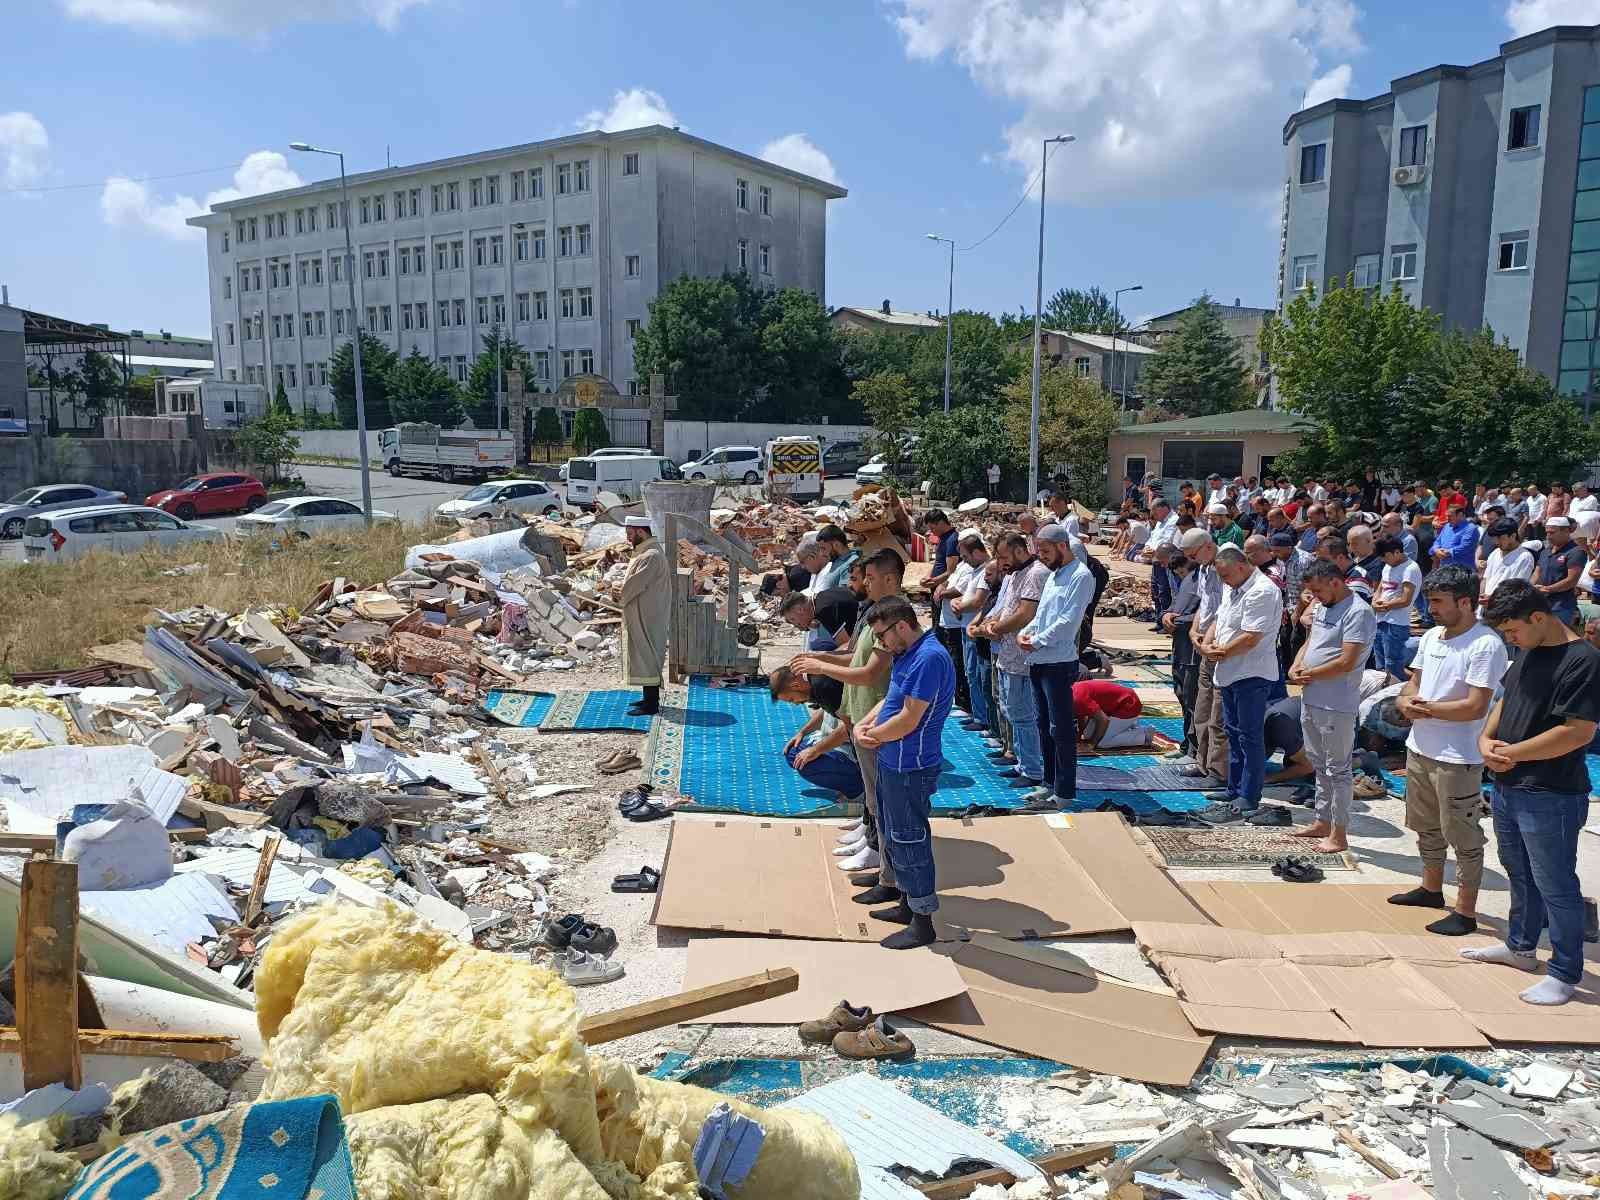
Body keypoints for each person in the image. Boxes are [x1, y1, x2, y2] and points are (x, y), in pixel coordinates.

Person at [1468, 580, 1600, 1005]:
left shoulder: (1583, 661)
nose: (1510, 640)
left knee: (1555, 882)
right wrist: (1486, 741)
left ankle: (1564, 971)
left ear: (1539, 618)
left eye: (1512, 632)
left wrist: (1512, 755)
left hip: (1551, 793)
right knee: (1518, 872)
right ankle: (1521, 947)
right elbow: (1507, 700)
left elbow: (1577, 732)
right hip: (1509, 784)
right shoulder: (1529, 649)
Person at [1389, 565, 1508, 936]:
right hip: (1421, 748)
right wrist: (1406, 701)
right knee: (1425, 827)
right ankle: (1431, 888)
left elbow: (1475, 706)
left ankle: (1466, 910)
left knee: (1463, 835)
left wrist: (1421, 708)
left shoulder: (1485, 644)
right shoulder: (1432, 638)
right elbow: (1414, 683)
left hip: (1458, 758)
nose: (1432, 609)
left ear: (1466, 602)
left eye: (1438, 602)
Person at [793, 548, 903, 888]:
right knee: (872, 792)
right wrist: (818, 656)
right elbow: (855, 654)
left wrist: (820, 665)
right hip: (863, 710)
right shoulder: (874, 611)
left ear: (890, 579)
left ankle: (880, 855)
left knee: (881, 793)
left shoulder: (895, 619)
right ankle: (870, 836)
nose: (864, 584)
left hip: (877, 714)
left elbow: (870, 672)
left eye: (870, 578)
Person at [852, 596, 956, 950]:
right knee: (894, 834)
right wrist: (866, 724)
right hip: (892, 760)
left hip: (911, 764)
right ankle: (905, 903)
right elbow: (891, 700)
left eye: (883, 635)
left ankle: (923, 921)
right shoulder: (907, 655)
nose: (881, 644)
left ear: (901, 626)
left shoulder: (929, 658)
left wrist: (872, 736)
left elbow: (910, 718)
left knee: (910, 839)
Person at [1285, 560, 1376, 851]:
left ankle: (1339, 832)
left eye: (1318, 590)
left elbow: (1347, 660)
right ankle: (1321, 821)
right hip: (1312, 696)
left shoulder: (1358, 612)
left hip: (1336, 703)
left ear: (1335, 582)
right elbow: (1310, 642)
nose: (1315, 597)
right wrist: (1296, 666)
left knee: (1338, 769)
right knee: (1319, 764)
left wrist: (1309, 674)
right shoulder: (1324, 606)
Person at [1197, 543, 1283, 821]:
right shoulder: (1233, 587)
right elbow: (1220, 620)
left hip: (1251, 673)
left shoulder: (1262, 591)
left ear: (1241, 566)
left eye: (1225, 576)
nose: (1223, 581)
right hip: (1229, 671)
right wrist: (1207, 643)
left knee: (1249, 736)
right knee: (1233, 732)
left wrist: (1216, 652)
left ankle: (1249, 794)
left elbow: (1251, 637)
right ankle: (1234, 788)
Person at [1017, 524, 1096, 811]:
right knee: (1043, 725)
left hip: (1058, 662)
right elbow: (1043, 615)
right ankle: (1049, 783)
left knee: (1060, 728)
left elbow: (1068, 623)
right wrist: (1026, 632)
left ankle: (1064, 791)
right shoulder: (1054, 576)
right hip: (1038, 660)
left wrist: (1035, 641)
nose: (1042, 557)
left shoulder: (1080, 577)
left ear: (1062, 546)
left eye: (1046, 551)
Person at [971, 532, 1048, 790]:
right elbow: (1005, 609)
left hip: (1022, 657)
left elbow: (1025, 614)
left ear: (1018, 551)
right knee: (1010, 709)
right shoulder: (1015, 574)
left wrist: (995, 628)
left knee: (1023, 714)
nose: (1001, 562)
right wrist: (989, 624)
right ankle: (1023, 762)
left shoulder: (1035, 573)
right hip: (1007, 655)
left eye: (1004, 556)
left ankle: (1033, 769)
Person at [769, 665, 863, 804]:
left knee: (806, 765)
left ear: (796, 685)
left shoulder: (824, 687)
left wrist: (815, 750)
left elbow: (849, 728)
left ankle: (858, 791)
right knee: (792, 754)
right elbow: (825, 710)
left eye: (791, 699)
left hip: (849, 748)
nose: (795, 704)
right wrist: (802, 732)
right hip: (832, 740)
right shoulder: (815, 684)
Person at [1180, 530, 1230, 784]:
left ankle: (1218, 770)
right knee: (1202, 707)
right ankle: (1202, 761)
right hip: (1204, 645)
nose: (1193, 560)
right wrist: (1193, 629)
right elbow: (1206, 605)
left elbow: (1225, 610)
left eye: (1194, 555)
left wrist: (1207, 639)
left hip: (1220, 646)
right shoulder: (1204, 569)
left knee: (1218, 714)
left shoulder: (1226, 566)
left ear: (1208, 546)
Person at [619, 515, 671, 715]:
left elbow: (634, 585)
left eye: (630, 534)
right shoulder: (647, 552)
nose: (628, 539)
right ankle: (648, 698)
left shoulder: (650, 555)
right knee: (643, 654)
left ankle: (652, 705)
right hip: (644, 610)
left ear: (641, 532)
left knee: (647, 653)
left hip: (648, 613)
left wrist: (618, 594)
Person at [949, 534, 993, 735]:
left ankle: (984, 719)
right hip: (967, 628)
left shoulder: (987, 571)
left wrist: (959, 606)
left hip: (976, 631)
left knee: (978, 675)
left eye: (966, 556)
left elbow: (977, 602)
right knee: (971, 673)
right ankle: (979, 715)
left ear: (977, 552)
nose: (964, 561)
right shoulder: (975, 570)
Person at [1372, 534, 1422, 680]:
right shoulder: (1388, 566)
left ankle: (1414, 687)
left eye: (1385, 556)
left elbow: (1406, 599)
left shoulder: (1411, 569)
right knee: (1381, 666)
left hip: (1396, 624)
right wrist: (1375, 602)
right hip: (1380, 621)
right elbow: (1380, 588)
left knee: (1393, 665)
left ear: (1397, 552)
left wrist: (1385, 606)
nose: (1383, 559)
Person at [1535, 515, 1587, 628]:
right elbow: (1537, 573)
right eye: (1547, 532)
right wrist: (1531, 587)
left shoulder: (1576, 552)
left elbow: (1571, 580)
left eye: (1552, 533)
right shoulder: (1546, 551)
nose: (1548, 536)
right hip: (1542, 605)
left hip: (1562, 607)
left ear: (1566, 531)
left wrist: (1547, 589)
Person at [1074, 679, 1153, 749]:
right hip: (1112, 707)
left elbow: (1103, 720)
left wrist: (1092, 744)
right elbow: (1081, 714)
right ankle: (1126, 726)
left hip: (1130, 705)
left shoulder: (1077, 698)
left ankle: (1143, 735)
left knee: (1102, 743)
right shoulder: (1071, 694)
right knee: (1088, 735)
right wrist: (1079, 738)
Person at [777, 586, 859, 653]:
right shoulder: (822, 596)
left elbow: (847, 646)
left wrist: (820, 659)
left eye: (792, 619)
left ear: (800, 610)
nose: (795, 624)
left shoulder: (824, 611)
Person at [1480, 517, 1535, 615]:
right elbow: (1485, 578)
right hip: (1485, 608)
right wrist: (1481, 595)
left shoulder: (1524, 557)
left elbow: (1517, 588)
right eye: (1495, 538)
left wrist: (1493, 599)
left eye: (1501, 538)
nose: (1497, 542)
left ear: (1513, 536)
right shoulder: (1495, 553)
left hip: (1504, 611)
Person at [1262, 695, 1315, 785]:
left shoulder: (1279, 728)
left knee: (1300, 766)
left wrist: (1269, 778)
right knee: (1291, 762)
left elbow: (1308, 766)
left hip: (1329, 721)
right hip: (1301, 714)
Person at [810, 524, 857, 594]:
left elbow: (845, 595)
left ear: (836, 545)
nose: (821, 554)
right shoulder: (836, 561)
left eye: (823, 548)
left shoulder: (851, 562)